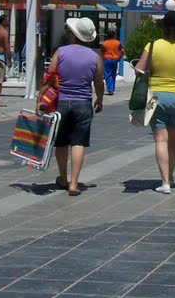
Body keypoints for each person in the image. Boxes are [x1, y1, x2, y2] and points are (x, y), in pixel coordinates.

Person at [133, 10, 175, 194]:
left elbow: (139, 70)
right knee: (173, 140)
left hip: (156, 97)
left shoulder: (152, 45)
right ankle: (170, 175)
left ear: (163, 28)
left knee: (160, 140)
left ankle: (165, 182)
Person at [37, 17, 103, 196]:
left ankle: (63, 178)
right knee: (78, 142)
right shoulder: (95, 57)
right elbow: (98, 82)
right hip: (84, 103)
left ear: (73, 34)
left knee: (62, 142)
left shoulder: (61, 52)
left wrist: (40, 97)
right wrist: (100, 99)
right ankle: (74, 183)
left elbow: (50, 77)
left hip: (62, 102)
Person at [101, 30, 124, 96]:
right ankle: (112, 89)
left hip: (107, 60)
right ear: (114, 35)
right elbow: (122, 50)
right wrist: (120, 58)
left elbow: (102, 53)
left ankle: (110, 89)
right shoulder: (117, 43)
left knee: (107, 74)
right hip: (115, 60)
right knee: (113, 74)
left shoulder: (104, 43)